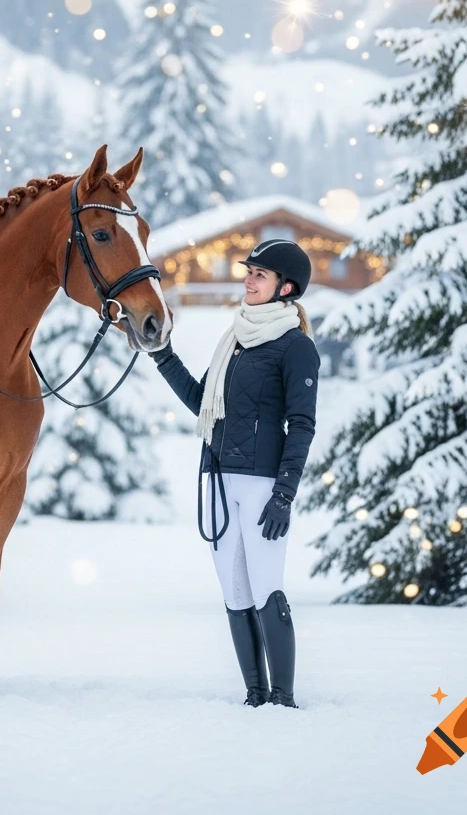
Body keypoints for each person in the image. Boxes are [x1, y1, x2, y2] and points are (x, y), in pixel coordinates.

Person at [150, 240, 319, 708]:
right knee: (236, 592)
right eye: (249, 272)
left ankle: (282, 697)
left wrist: (284, 494)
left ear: (285, 288)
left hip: (263, 485)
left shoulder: (295, 347)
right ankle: (254, 693)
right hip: (220, 481)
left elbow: (301, 425)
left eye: (259, 275)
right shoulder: (235, 344)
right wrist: (162, 355)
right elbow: (202, 401)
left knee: (267, 588)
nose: (248, 279)